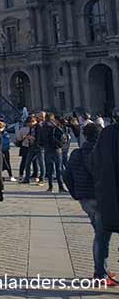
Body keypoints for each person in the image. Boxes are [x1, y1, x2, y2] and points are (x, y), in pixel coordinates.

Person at [63, 122, 117, 286]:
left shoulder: (76, 154)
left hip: (85, 200)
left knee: (100, 234)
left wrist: (76, 194)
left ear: (84, 136)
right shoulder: (104, 153)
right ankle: (100, 273)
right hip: (102, 199)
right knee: (102, 236)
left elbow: (66, 176)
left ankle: (102, 270)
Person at [92, 119, 119, 282]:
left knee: (102, 236)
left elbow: (94, 162)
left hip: (107, 196)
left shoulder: (107, 134)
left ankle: (100, 273)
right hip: (107, 194)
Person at [38, 114, 66, 194]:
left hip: (47, 150)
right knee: (59, 169)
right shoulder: (55, 127)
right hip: (57, 150)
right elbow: (63, 136)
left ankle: (50, 187)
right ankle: (61, 187)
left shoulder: (42, 128)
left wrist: (44, 146)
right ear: (53, 119)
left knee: (49, 170)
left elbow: (39, 141)